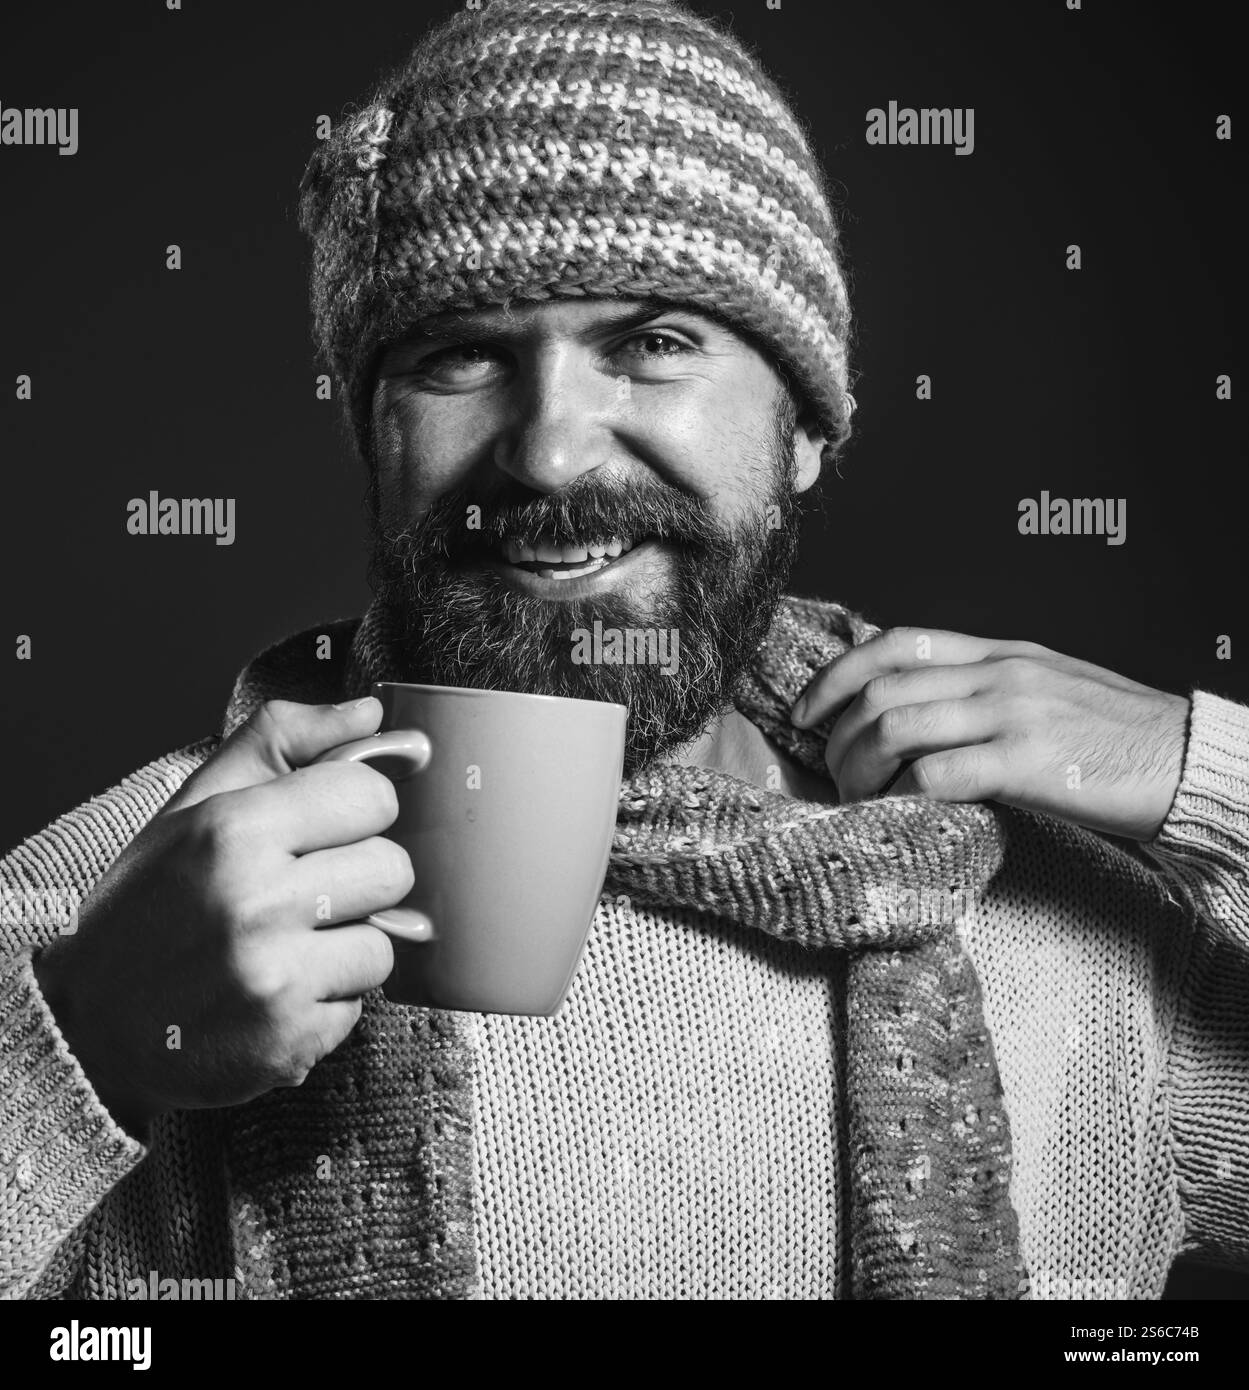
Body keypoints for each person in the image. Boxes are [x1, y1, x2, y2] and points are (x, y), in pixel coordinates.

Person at [2, 0, 1247, 1301]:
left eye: (652, 342)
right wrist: (80, 1044)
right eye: (461, 354)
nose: (548, 451)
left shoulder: (1072, 928)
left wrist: (1204, 768)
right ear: (371, 433)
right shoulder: (123, 906)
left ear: (804, 427)